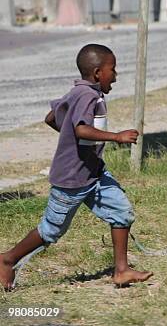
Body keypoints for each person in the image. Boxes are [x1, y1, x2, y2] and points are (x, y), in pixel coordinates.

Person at [0, 44, 153, 290]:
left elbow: (52, 117)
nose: (116, 75)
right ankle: (7, 260)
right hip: (72, 178)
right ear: (97, 73)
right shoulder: (86, 96)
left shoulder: (80, 92)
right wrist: (116, 137)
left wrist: (67, 136)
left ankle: (122, 271)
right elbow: (81, 128)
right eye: (112, 69)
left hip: (94, 172)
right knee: (52, 230)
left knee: (121, 211)